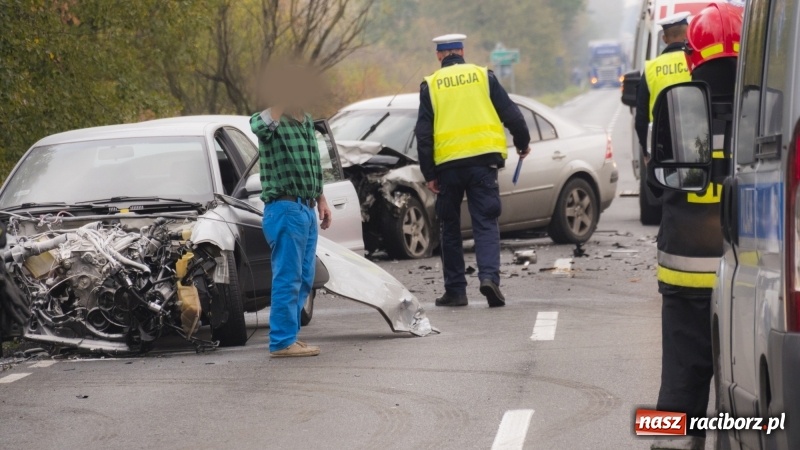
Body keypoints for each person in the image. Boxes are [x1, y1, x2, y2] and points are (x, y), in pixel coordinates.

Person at [647, 5, 743, 450]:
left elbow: (653, 188)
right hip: (748, 278)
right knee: (744, 394)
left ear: (692, 56)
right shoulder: (766, 109)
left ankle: (669, 442)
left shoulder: (676, 106)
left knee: (679, 386)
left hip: (684, 278)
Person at [415, 34, 531, 308]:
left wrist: (429, 173)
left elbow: (423, 135)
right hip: (483, 165)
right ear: (462, 51)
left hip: (448, 169)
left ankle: (456, 290)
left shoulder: (430, 85)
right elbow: (511, 113)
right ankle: (489, 278)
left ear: (439, 55)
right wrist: (522, 143)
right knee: (486, 223)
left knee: (449, 227)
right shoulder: (483, 76)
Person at [250, 101, 332, 358]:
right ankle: (282, 341)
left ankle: (290, 337)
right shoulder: (270, 119)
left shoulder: (306, 120)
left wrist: (321, 199)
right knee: (288, 277)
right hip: (285, 209)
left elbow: (313, 165)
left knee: (304, 277)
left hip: (306, 210)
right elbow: (259, 128)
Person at [634, 12, 692, 153]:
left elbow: (641, 119)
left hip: (663, 147)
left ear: (664, 38)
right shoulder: (696, 61)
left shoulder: (650, 69)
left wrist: (646, 152)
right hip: (696, 141)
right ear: (688, 33)